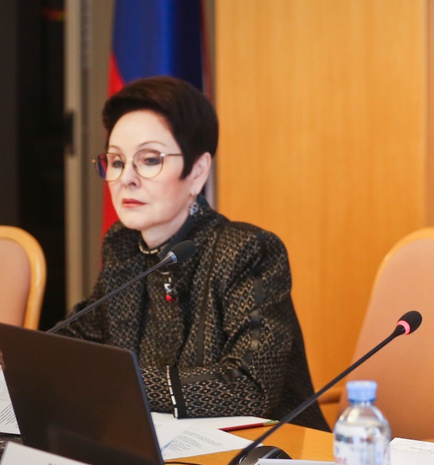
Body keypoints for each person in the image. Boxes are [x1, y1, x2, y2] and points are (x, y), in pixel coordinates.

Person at [59, 76, 327, 431]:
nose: (127, 179)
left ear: (198, 172)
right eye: (117, 161)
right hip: (166, 444)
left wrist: (117, 381)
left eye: (149, 160)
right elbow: (79, 339)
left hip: (269, 453)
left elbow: (249, 388)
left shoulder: (247, 252)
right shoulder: (124, 244)